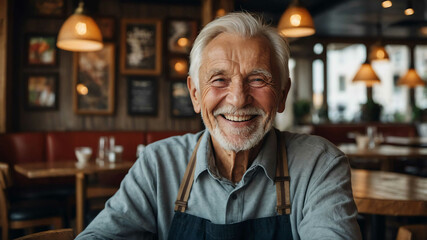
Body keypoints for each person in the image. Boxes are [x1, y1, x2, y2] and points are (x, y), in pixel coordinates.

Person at [76, 12, 361, 240]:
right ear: (196, 94)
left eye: (258, 79)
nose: (238, 100)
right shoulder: (158, 165)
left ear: (283, 94)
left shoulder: (319, 165)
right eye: (219, 79)